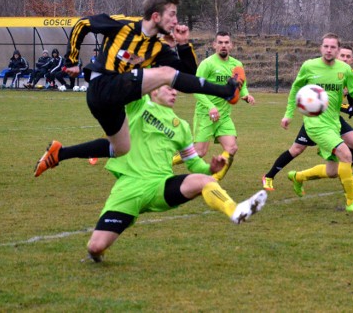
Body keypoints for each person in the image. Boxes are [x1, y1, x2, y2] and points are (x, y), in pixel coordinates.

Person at [34, 0, 242, 177]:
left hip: (111, 102)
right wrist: (71, 60)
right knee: (165, 74)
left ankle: (59, 153)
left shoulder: (157, 48)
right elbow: (82, 24)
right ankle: (227, 91)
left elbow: (188, 76)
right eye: (172, 14)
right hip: (102, 85)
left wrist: (183, 44)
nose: (176, 21)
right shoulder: (123, 25)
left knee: (122, 148)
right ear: (155, 16)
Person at [84, 85, 267, 262]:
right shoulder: (138, 104)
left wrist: (210, 169)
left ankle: (235, 210)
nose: (175, 92)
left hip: (159, 186)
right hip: (128, 188)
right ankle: (98, 253)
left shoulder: (181, 127)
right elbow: (134, 80)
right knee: (95, 247)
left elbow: (194, 164)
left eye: (175, 89)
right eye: (169, 88)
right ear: (154, 89)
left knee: (204, 180)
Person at [281, 33, 353, 213]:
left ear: (337, 50)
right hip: (315, 124)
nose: (329, 50)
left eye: (332, 47)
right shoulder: (309, 66)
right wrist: (288, 114)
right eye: (325, 46)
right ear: (321, 48)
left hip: (333, 123)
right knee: (346, 155)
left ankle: (298, 177)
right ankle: (352, 202)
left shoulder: (343, 69)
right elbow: (295, 89)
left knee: (332, 171)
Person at [262, 45, 353, 191]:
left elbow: (351, 93)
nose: (345, 59)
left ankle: (348, 173)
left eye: (348, 57)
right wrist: (346, 108)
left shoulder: (351, 74)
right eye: (343, 56)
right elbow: (319, 99)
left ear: (352, 59)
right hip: (316, 119)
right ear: (336, 55)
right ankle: (269, 176)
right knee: (296, 149)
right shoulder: (322, 71)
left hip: (333, 119)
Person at [172, 31, 255, 182]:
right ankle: (168, 161)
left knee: (231, 148)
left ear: (231, 45)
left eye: (226, 42)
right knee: (199, 152)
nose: (223, 45)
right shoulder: (207, 64)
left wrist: (246, 94)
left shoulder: (237, 65)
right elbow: (195, 88)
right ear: (214, 45)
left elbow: (241, 85)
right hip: (205, 114)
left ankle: (214, 179)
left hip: (224, 116)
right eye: (220, 42)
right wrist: (210, 106)